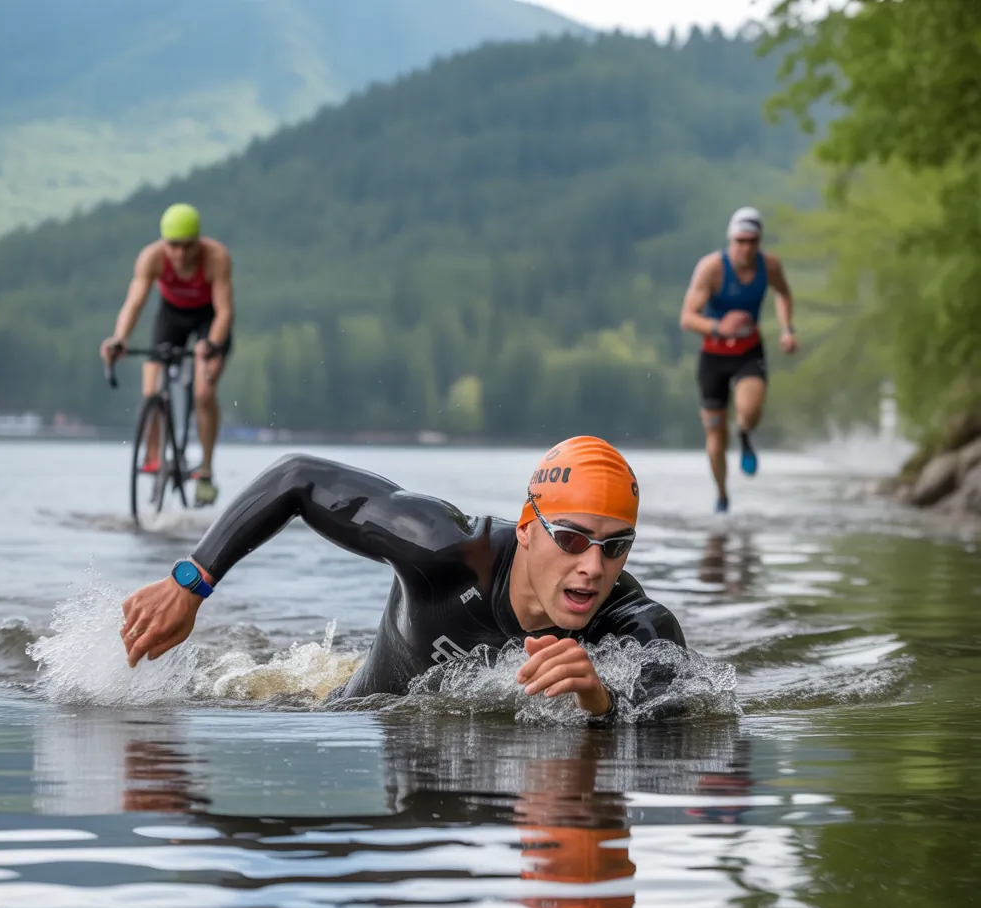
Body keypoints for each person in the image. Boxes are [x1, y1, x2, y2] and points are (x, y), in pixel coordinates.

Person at [119, 435, 686, 720]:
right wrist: (191, 582)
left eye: (616, 547)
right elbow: (298, 477)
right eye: (571, 538)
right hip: (348, 718)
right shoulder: (446, 549)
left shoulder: (636, 626)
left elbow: (674, 730)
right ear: (526, 529)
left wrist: (601, 703)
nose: (593, 567)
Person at [100, 202, 234, 507]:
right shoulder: (152, 258)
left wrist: (211, 344)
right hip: (171, 317)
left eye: (188, 246)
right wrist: (119, 339)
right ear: (164, 243)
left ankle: (206, 470)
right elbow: (134, 304)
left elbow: (225, 311)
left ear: (198, 241)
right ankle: (153, 457)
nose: (180, 254)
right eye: (173, 246)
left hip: (209, 319)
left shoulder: (216, 257)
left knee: (203, 392)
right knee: (151, 390)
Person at [679, 207, 798, 513]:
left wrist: (787, 328)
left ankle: (744, 433)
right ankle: (722, 496)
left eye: (752, 241)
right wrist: (719, 327)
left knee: (750, 410)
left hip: (748, 352)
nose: (746, 247)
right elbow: (688, 318)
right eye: (741, 241)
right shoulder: (712, 268)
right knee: (715, 437)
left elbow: (783, 294)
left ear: (759, 241)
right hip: (713, 357)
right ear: (731, 239)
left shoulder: (769, 266)